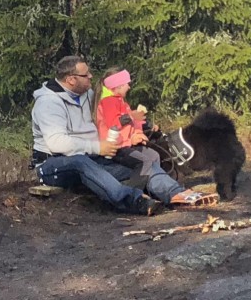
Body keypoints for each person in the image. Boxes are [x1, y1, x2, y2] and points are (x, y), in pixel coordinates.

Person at [32, 56, 206, 215]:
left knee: (143, 162)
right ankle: (132, 200)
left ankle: (176, 193)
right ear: (71, 79)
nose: (91, 76)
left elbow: (112, 113)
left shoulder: (88, 95)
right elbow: (56, 143)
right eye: (86, 75)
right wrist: (98, 146)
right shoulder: (48, 103)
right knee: (80, 162)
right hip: (52, 164)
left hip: (92, 156)